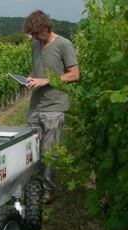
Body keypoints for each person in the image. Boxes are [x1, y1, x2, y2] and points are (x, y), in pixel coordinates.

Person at [23, 10, 80, 203]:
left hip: (54, 106)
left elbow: (74, 74)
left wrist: (46, 81)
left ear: (47, 28)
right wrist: (31, 78)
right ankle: (34, 186)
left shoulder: (64, 44)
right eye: (32, 35)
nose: (35, 38)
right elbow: (37, 69)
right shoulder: (35, 45)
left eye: (37, 34)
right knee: (31, 149)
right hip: (35, 105)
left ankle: (48, 188)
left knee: (50, 151)